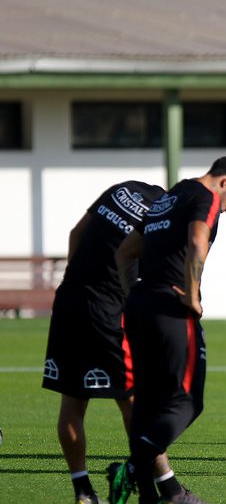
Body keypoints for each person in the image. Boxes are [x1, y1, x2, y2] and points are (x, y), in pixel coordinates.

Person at [107, 155, 226, 504]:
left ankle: (149, 496)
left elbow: (124, 252)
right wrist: (192, 297)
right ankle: (132, 469)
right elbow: (196, 241)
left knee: (146, 404)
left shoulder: (168, 197)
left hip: (140, 304)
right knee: (187, 401)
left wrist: (133, 296)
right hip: (172, 308)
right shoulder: (203, 196)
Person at [41, 180, 165, 504]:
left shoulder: (121, 189)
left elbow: (75, 234)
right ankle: (156, 484)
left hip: (69, 299)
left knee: (72, 401)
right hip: (107, 310)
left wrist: (77, 281)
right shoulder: (162, 217)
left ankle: (82, 490)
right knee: (133, 400)